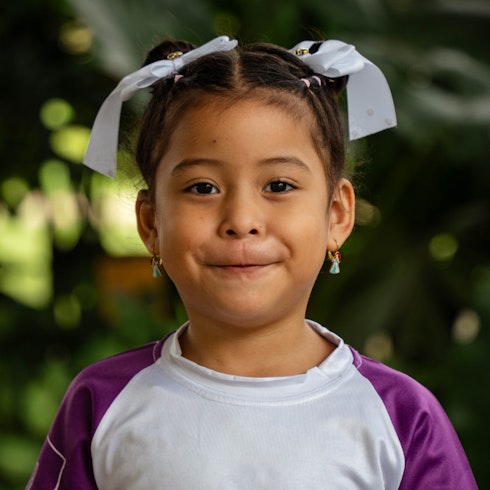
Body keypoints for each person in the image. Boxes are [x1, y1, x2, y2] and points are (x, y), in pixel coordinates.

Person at [27, 36, 477, 489]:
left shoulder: (400, 415)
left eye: (278, 186)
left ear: (337, 215)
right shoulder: (102, 403)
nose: (241, 221)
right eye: (202, 188)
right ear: (151, 222)